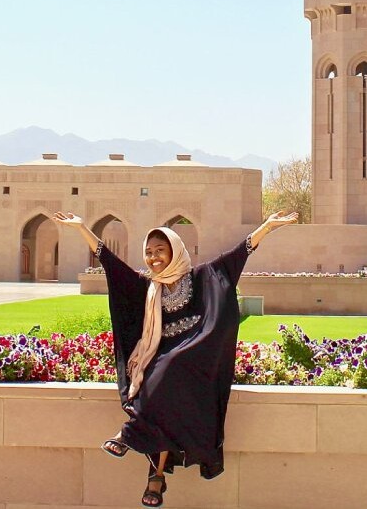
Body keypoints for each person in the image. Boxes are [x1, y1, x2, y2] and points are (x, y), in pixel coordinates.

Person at [51, 210, 298, 508]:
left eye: (160, 251)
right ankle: (156, 477)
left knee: (170, 366)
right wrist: (82, 229)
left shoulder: (201, 277)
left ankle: (130, 436)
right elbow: (112, 265)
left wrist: (267, 227)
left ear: (174, 250)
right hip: (162, 357)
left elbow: (237, 256)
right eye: (149, 252)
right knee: (162, 376)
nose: (154, 258)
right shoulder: (148, 288)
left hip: (197, 353)